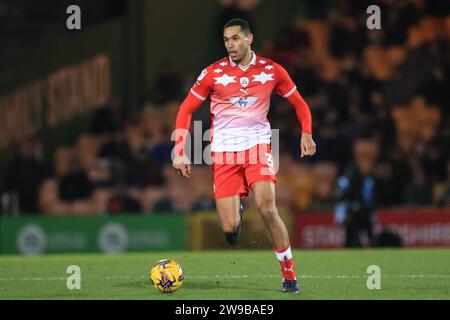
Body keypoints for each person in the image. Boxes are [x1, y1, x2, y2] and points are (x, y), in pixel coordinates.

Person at [172, 19, 316, 293]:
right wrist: (179, 149)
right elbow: (186, 109)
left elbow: (299, 103)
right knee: (229, 230)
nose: (230, 45)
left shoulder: (272, 71)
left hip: (259, 146)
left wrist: (306, 133)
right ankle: (235, 211)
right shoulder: (212, 73)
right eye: (226, 40)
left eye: (236, 38)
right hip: (224, 153)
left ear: (250, 39)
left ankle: (289, 275)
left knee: (266, 208)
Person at [334, 138, 380, 248]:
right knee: (351, 233)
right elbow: (339, 195)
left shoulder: (371, 180)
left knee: (369, 230)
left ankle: (372, 246)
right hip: (350, 212)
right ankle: (351, 246)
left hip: (365, 212)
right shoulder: (348, 176)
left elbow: (373, 199)